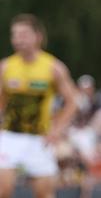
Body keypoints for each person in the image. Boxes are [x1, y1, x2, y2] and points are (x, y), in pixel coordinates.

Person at [0, 14, 78, 198]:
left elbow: (72, 102)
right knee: (3, 190)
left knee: (45, 194)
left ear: (38, 36)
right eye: (15, 35)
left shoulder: (53, 68)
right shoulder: (5, 67)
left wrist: (57, 130)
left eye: (24, 34)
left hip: (40, 139)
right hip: (10, 136)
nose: (18, 40)